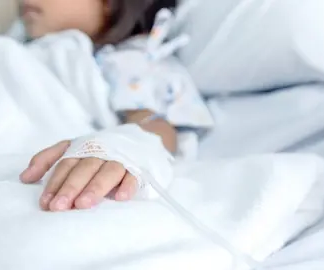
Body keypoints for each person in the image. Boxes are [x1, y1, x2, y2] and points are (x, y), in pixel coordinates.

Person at [17, 0, 207, 212]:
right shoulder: (24, 48)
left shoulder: (130, 61)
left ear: (110, 3)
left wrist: (124, 146)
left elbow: (154, 122)